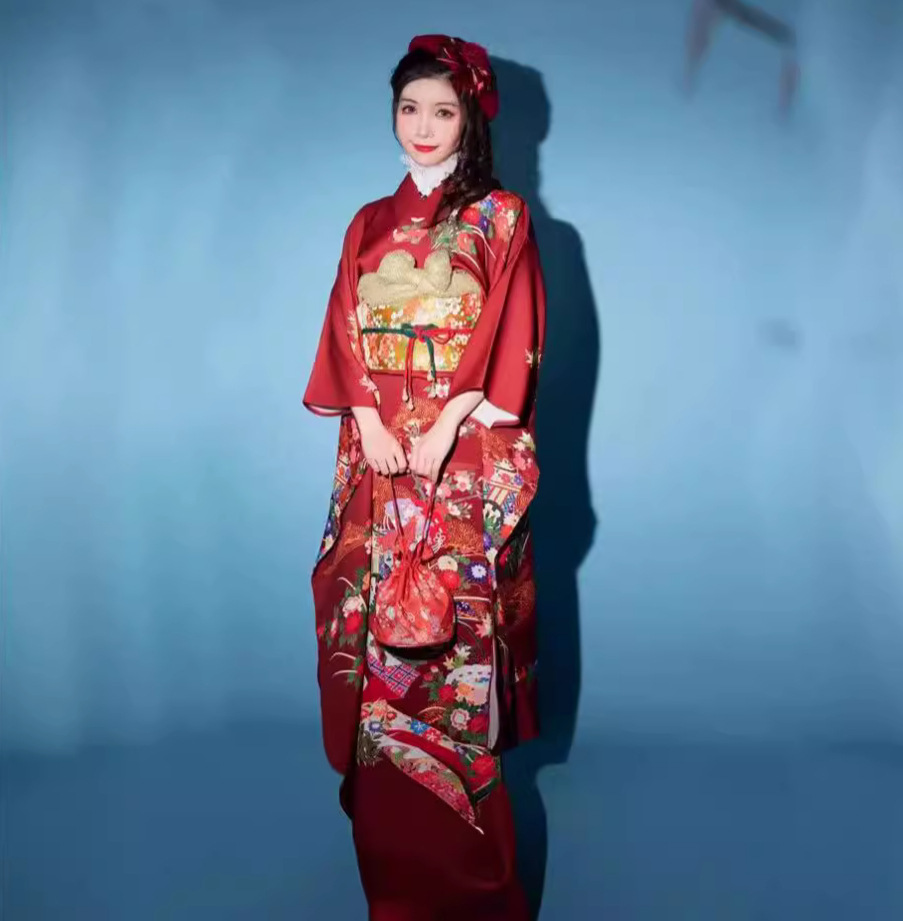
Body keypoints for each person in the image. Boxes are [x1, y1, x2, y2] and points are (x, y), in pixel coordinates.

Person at [302, 33, 546, 921]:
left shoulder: (501, 218)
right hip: (378, 461)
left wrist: (445, 422)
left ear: (470, 120)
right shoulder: (367, 222)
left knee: (451, 660)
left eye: (443, 111)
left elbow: (511, 330)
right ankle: (396, 879)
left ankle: (471, 885)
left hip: (459, 459)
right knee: (379, 654)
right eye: (410, 108)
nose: (423, 126)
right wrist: (368, 420)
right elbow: (343, 328)